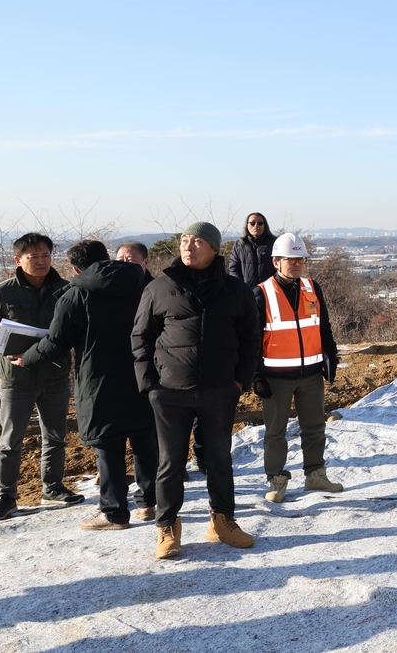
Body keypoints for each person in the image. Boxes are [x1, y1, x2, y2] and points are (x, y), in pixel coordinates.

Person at [132, 222, 259, 559]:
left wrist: (239, 382)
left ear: (215, 249)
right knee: (170, 462)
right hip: (169, 391)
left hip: (219, 390)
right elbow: (140, 337)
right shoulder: (160, 287)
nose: (188, 246)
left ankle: (222, 520)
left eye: (198, 241)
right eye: (185, 241)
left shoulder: (235, 290)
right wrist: (149, 384)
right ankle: (167, 526)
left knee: (219, 459)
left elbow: (251, 339)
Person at [10, 240, 156, 530]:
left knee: (108, 445)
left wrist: (26, 358)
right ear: (106, 258)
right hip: (144, 374)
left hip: (99, 380)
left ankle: (114, 513)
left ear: (76, 268)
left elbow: (57, 342)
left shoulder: (76, 294)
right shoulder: (144, 285)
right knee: (145, 440)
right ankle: (150, 503)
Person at [0, 233, 81, 521]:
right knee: (10, 441)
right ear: (18, 260)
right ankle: (5, 498)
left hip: (56, 375)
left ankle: (53, 488)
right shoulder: (2, 293)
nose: (40, 261)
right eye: (33, 256)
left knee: (56, 437)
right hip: (16, 380)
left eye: (45, 255)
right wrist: (11, 351)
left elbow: (74, 327)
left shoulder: (64, 290)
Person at [253, 232, 343, 503]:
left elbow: (322, 327)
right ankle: (276, 479)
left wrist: (331, 356)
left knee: (315, 426)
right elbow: (252, 338)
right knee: (275, 431)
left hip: (311, 374)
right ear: (276, 262)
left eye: (300, 259)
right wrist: (257, 374)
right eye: (290, 259)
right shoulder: (261, 293)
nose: (296, 263)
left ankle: (315, 475)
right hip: (277, 376)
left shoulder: (312, 287)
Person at [228, 212, 277, 287]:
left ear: (265, 226)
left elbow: (280, 267)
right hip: (246, 292)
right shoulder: (240, 245)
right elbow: (234, 268)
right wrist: (240, 287)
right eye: (252, 223)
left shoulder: (274, 244)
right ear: (247, 225)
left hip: (270, 290)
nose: (256, 225)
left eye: (260, 223)